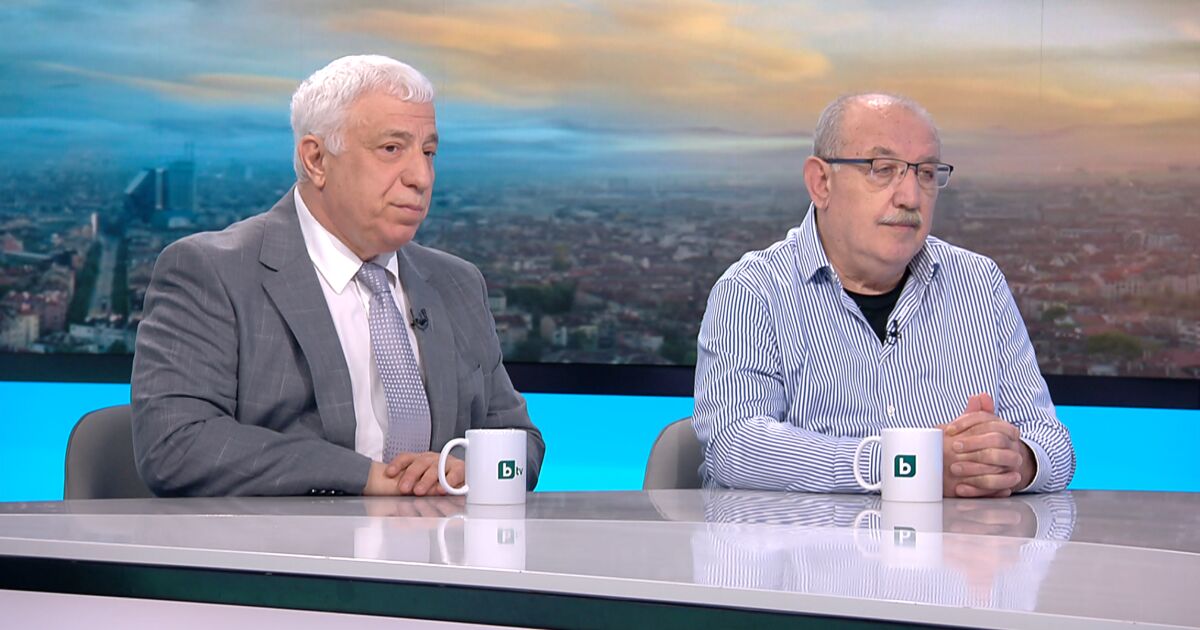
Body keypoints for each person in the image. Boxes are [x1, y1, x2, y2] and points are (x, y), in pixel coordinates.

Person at [131, 55, 544, 497]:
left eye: (428, 153)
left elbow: (521, 443)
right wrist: (366, 478)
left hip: (438, 540)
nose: (421, 177)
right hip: (285, 541)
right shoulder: (212, 272)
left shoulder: (457, 283)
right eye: (392, 149)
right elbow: (176, 443)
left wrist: (465, 468)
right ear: (316, 160)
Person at [693, 93, 1074, 497]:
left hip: (955, 539)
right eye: (882, 169)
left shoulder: (979, 284)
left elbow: (1051, 440)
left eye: (926, 173)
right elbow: (735, 445)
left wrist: (1014, 460)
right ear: (821, 183)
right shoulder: (753, 291)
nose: (911, 196)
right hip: (808, 539)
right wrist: (907, 466)